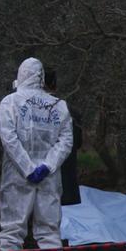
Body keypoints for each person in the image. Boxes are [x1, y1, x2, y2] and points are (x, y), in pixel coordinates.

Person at [0, 58, 73, 251]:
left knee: (12, 227)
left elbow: (8, 138)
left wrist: (27, 168)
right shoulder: (58, 105)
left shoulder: (10, 102)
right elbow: (66, 141)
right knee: (49, 228)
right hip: (48, 177)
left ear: (20, 74)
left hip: (17, 175)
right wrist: (47, 166)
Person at [43, 68, 82, 206]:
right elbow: (77, 143)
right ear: (55, 85)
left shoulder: (35, 110)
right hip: (67, 177)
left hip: (45, 177)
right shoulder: (72, 111)